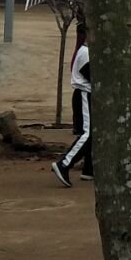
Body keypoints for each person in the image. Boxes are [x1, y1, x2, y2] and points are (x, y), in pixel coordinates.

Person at [52, 19, 93, 187]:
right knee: (87, 133)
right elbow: (94, 76)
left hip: (88, 95)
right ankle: (64, 163)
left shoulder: (88, 51)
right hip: (84, 94)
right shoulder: (85, 53)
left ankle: (89, 169)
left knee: (94, 133)